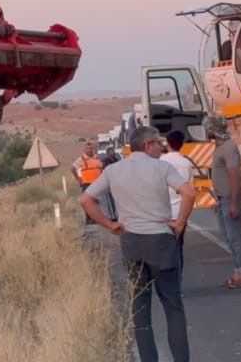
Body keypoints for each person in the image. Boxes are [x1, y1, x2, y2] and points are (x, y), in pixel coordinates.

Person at [81, 125, 195, 362]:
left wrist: (109, 225)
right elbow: (189, 193)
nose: (160, 148)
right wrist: (180, 222)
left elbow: (87, 199)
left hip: (131, 243)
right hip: (161, 241)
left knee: (140, 310)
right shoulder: (161, 167)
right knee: (173, 307)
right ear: (147, 145)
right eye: (157, 144)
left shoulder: (113, 171)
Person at [206, 116, 241, 289]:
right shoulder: (219, 147)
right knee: (229, 238)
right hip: (223, 199)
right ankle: (237, 271)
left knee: (236, 237)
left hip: (231, 199)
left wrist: (234, 202)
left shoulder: (228, 147)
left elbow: (234, 175)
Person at [161, 130, 195, 276]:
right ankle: (177, 281)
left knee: (165, 250)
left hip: (164, 211)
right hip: (181, 211)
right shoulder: (186, 163)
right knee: (178, 249)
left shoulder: (161, 162)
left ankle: (168, 281)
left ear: (167, 143)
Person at [72, 140, 106, 223]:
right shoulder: (81, 159)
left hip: (97, 183)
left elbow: (101, 168)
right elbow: (72, 168)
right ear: (85, 150)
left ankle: (95, 218)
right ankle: (89, 219)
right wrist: (79, 179)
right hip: (86, 183)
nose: (89, 150)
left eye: (90, 148)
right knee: (87, 202)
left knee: (96, 201)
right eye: (87, 148)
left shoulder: (97, 158)